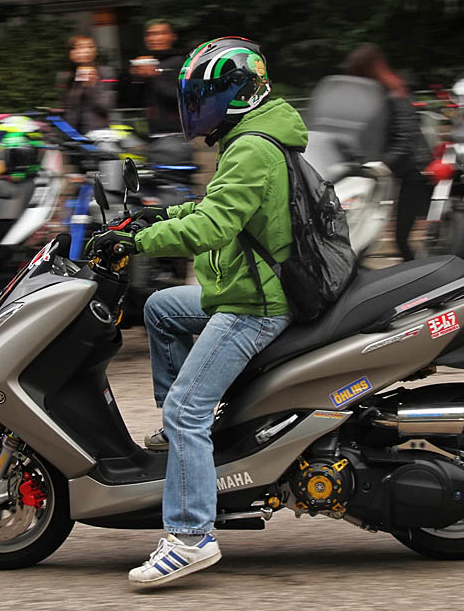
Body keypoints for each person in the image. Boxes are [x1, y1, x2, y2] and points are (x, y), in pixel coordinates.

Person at [92, 36, 305, 587]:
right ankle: (183, 444)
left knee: (186, 408)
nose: (196, 108)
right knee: (163, 308)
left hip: (256, 304)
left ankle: (191, 536)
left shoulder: (253, 147)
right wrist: (151, 216)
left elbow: (213, 227)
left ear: (236, 93)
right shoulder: (248, 139)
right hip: (240, 287)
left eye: (204, 96)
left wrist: (136, 245)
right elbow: (213, 206)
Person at [344, 43, 432, 260]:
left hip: (414, 170)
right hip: (392, 169)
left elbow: (405, 140)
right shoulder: (375, 96)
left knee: (401, 237)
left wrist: (380, 163)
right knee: (365, 230)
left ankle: (423, 279)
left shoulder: (396, 95)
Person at [126, 20, 186, 135]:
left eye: (161, 33)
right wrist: (137, 79)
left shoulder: (182, 62)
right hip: (152, 131)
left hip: (177, 132)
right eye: (150, 34)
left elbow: (182, 97)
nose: (154, 38)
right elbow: (133, 102)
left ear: (173, 37)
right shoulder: (147, 62)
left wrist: (154, 76)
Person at [56, 35, 115, 134]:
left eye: (90, 47)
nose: (86, 50)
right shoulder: (65, 76)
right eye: (80, 47)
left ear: (95, 51)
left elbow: (106, 107)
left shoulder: (105, 72)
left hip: (98, 133)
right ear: (71, 52)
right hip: (72, 135)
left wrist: (92, 87)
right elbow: (66, 108)